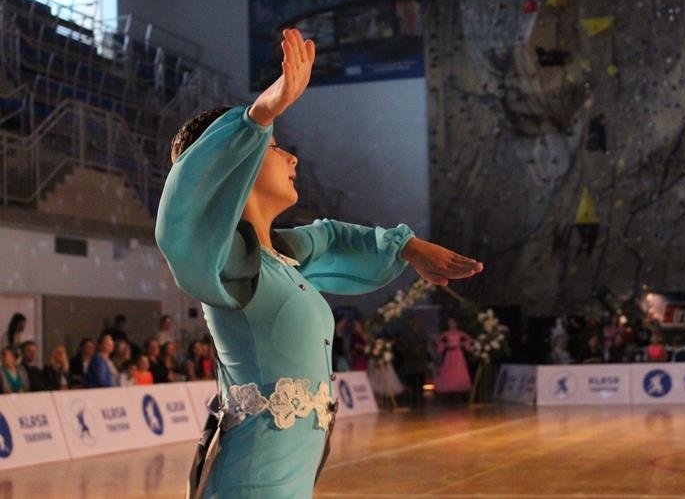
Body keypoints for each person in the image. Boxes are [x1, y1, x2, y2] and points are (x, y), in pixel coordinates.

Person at [155, 28, 483, 499]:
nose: (292, 157)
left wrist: (406, 247)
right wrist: (260, 114)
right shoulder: (226, 263)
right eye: (273, 147)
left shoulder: (282, 260)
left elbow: (329, 237)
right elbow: (182, 219)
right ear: (233, 166)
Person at [434, 318, 473, 395]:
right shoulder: (446, 333)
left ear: (456, 324)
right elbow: (437, 340)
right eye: (450, 323)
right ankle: (449, 387)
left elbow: (469, 339)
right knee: (449, 370)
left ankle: (459, 386)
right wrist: (445, 345)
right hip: (450, 354)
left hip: (458, 354)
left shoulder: (460, 333)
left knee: (458, 369)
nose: (451, 325)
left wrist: (463, 344)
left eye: (453, 323)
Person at [397, 316, 429, 408]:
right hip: (410, 360)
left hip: (420, 359)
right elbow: (403, 344)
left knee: (421, 378)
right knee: (411, 379)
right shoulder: (406, 333)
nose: (415, 322)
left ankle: (421, 397)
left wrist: (419, 349)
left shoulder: (423, 332)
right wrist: (411, 350)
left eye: (417, 320)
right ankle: (413, 398)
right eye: (413, 320)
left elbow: (425, 343)